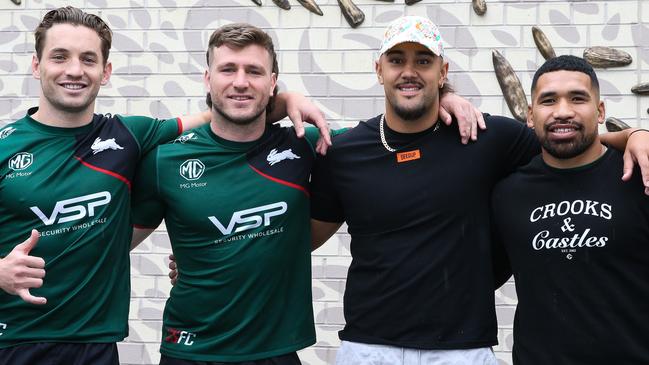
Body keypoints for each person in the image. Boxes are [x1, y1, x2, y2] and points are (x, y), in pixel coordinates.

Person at [131, 20, 490, 364]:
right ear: (207, 79)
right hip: (189, 351)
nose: (240, 82)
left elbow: (397, 133)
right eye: (228, 70)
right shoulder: (165, 159)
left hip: (275, 351)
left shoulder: (312, 146)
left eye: (254, 72)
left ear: (272, 82)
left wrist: (446, 97)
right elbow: (107, 245)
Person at [309, 16, 649, 365]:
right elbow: (304, 238)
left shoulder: (488, 137)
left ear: (443, 73)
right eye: (396, 60)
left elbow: (566, 139)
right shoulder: (344, 152)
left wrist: (632, 136)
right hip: (369, 347)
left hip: (463, 350)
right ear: (378, 69)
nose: (409, 72)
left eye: (423, 61)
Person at [0, 6, 329, 365]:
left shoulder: (130, 136)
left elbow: (221, 114)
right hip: (13, 338)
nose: (75, 70)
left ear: (105, 71)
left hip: (94, 342)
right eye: (59, 57)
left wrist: (285, 99)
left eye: (88, 59)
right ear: (36, 65)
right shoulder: (5, 145)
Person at [490, 55, 649, 365]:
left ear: (600, 111)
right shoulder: (507, 194)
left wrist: (636, 133)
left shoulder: (639, 178)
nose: (563, 112)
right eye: (549, 101)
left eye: (578, 98)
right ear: (530, 115)